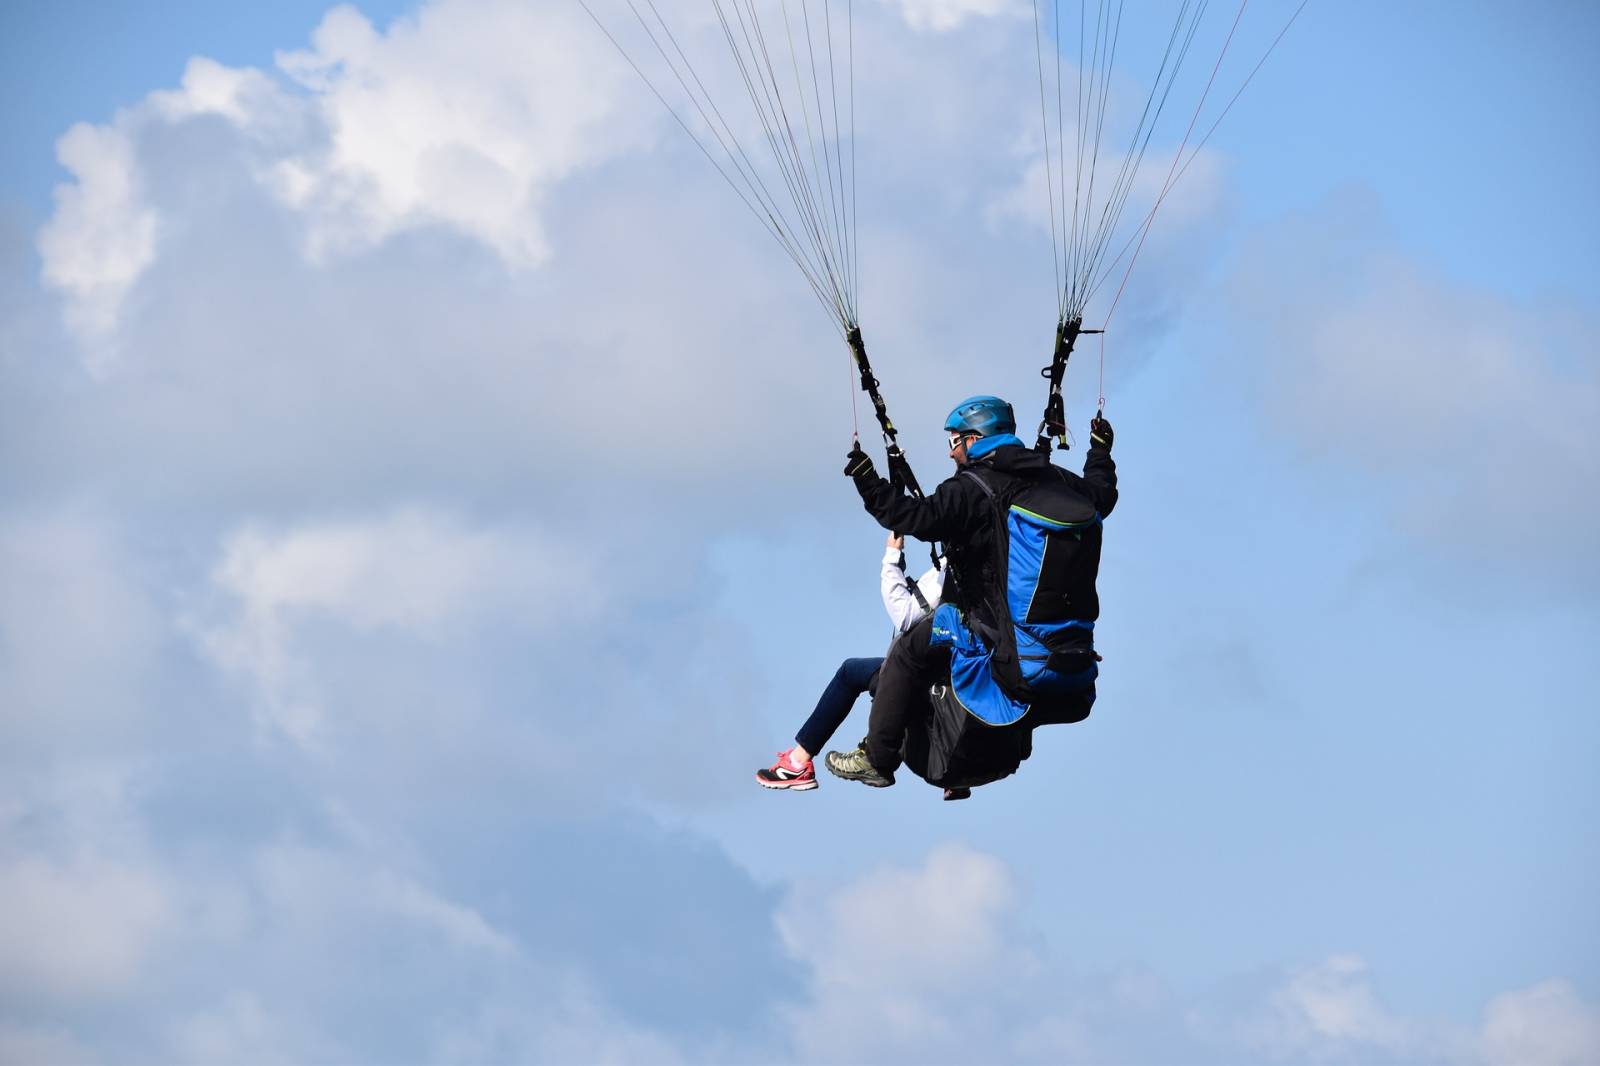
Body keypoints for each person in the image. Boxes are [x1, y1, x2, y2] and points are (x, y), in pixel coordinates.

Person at [826, 395, 1116, 788]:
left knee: (908, 652)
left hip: (998, 637)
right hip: (1066, 650)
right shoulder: (1058, 480)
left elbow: (913, 518)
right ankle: (958, 757)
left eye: (954, 442)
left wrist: (867, 481)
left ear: (976, 438)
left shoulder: (971, 489)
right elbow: (1103, 494)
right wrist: (1100, 451)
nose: (951, 453)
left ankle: (877, 759)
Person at [755, 531, 944, 791]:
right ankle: (954, 778)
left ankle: (797, 763)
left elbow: (904, 615)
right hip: (963, 675)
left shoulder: (951, 571)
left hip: (930, 679)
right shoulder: (993, 565)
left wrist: (891, 556)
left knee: (850, 672)